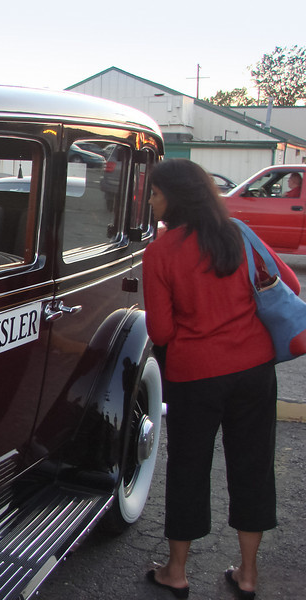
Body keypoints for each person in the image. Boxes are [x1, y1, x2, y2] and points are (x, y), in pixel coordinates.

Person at [142, 159, 300, 600]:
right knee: (253, 466)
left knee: (189, 468)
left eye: (155, 193)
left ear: (174, 196)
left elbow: (162, 333)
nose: (151, 200)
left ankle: (176, 572)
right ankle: (248, 574)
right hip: (253, 371)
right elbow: (289, 283)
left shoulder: (160, 251)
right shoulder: (239, 233)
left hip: (195, 376)